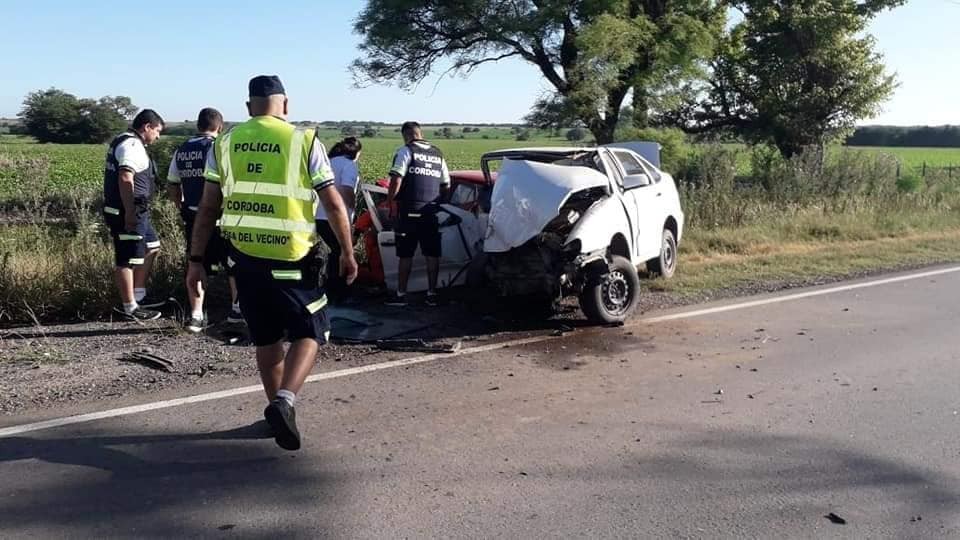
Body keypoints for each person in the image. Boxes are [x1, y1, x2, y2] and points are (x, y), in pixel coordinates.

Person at [187, 75, 357, 451]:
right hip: (293, 258)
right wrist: (347, 250)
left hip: (244, 259)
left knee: (265, 336)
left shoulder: (226, 142)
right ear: (286, 104)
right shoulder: (303, 140)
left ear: (249, 107)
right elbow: (332, 203)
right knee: (312, 331)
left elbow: (208, 208)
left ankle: (275, 411)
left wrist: (195, 261)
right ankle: (285, 402)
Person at [166, 107, 243, 333]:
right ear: (219, 127)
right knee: (233, 265)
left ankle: (196, 316)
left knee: (196, 264)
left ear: (198, 126)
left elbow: (172, 183)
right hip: (222, 216)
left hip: (193, 217)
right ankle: (237, 311)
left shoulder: (182, 149)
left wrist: (179, 204)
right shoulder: (221, 148)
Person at [102, 109, 166, 320]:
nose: (158, 136)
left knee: (152, 246)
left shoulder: (125, 141)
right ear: (146, 127)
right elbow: (126, 177)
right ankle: (130, 308)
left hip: (138, 212)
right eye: (157, 131)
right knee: (126, 259)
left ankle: (138, 294)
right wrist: (129, 212)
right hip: (127, 212)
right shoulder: (132, 145)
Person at [384, 121, 451, 306]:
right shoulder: (438, 154)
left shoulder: (406, 151)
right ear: (420, 133)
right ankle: (431, 294)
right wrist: (437, 203)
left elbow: (396, 179)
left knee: (405, 255)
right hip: (431, 213)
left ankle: (400, 295)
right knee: (432, 254)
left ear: (406, 135)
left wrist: (390, 201)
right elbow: (446, 184)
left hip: (409, 212)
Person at [315, 136, 362, 303]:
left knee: (331, 253)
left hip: (317, 215)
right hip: (336, 216)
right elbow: (348, 190)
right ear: (356, 153)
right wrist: (353, 208)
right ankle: (340, 292)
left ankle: (328, 288)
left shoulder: (328, 161)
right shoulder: (349, 165)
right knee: (342, 253)